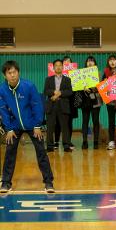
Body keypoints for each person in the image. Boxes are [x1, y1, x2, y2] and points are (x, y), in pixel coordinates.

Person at [0, 61, 55, 193]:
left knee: (41, 151)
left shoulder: (29, 86)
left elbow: (37, 106)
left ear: (18, 72)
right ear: (4, 75)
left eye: (14, 72)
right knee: (9, 152)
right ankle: (6, 183)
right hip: (14, 125)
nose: (12, 75)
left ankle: (48, 182)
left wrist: (37, 125)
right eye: (9, 73)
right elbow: (3, 110)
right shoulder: (2, 89)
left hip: (32, 124)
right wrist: (9, 128)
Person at [44, 59, 73, 152]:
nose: (58, 67)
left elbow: (70, 92)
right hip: (51, 105)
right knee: (50, 127)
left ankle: (66, 145)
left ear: (63, 67)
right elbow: (46, 91)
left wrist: (60, 93)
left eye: (60, 65)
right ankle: (49, 146)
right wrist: (54, 92)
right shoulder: (48, 79)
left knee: (65, 127)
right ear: (53, 67)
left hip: (63, 105)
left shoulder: (67, 79)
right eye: (56, 65)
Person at [81, 56, 102, 149]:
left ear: (95, 64)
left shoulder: (99, 74)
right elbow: (77, 86)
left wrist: (96, 88)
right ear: (86, 63)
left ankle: (96, 141)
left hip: (96, 100)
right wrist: (83, 88)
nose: (90, 63)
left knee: (95, 121)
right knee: (85, 121)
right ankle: (84, 141)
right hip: (85, 100)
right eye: (88, 61)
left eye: (92, 61)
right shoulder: (81, 74)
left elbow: (103, 87)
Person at [102, 55, 116, 150]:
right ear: (108, 62)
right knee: (111, 121)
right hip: (110, 101)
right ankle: (111, 141)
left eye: (114, 60)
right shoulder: (106, 71)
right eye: (110, 60)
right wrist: (105, 82)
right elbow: (101, 85)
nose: (112, 62)